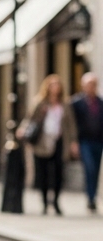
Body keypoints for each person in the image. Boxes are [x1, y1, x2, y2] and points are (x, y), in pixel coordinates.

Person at [24, 74, 75, 215]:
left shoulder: (65, 104)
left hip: (59, 142)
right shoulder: (40, 103)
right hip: (42, 143)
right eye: (52, 85)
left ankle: (56, 202)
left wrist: (73, 142)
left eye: (57, 85)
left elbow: (71, 125)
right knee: (43, 174)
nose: (55, 87)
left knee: (58, 173)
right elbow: (30, 120)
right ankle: (45, 202)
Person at [71, 72, 103, 213]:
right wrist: (73, 142)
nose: (92, 87)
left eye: (94, 84)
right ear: (83, 86)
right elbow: (71, 124)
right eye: (89, 84)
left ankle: (93, 197)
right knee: (89, 168)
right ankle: (90, 197)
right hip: (84, 141)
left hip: (98, 141)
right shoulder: (76, 103)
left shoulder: (101, 103)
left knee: (95, 170)